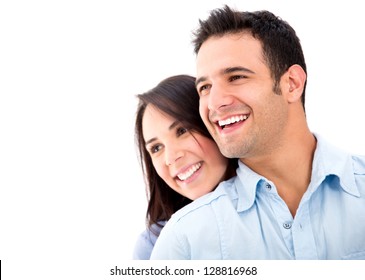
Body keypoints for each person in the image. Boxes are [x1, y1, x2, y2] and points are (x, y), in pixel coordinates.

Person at [150, 5, 365, 259]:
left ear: (292, 84)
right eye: (205, 87)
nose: (214, 102)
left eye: (236, 77)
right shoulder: (185, 240)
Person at [132, 74, 237, 259]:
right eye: (156, 148)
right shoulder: (153, 245)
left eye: (182, 131)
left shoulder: (279, 204)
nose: (171, 158)